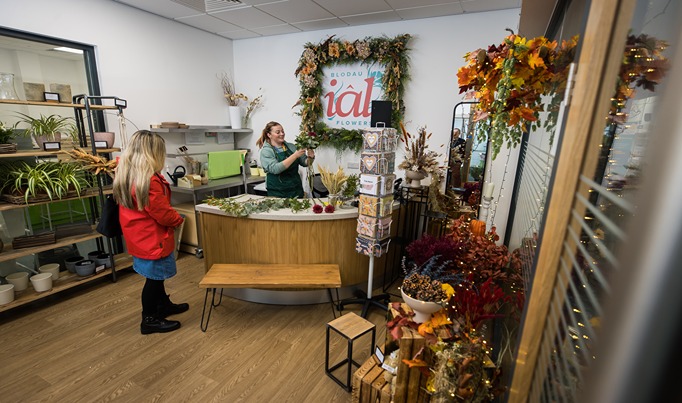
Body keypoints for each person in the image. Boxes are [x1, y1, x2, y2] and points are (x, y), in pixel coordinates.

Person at [112, 130, 188, 335]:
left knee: (156, 277)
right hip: (153, 238)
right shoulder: (148, 180)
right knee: (153, 280)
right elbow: (161, 212)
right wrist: (178, 220)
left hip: (139, 236)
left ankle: (163, 305)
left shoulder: (127, 173)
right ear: (152, 153)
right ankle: (149, 319)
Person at [256, 121, 315, 198]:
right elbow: (275, 169)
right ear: (269, 135)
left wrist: (311, 157)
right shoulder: (266, 151)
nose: (282, 134)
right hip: (277, 192)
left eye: (282, 131)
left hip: (295, 189)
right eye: (278, 132)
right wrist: (295, 155)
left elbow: (305, 163)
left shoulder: (291, 147)